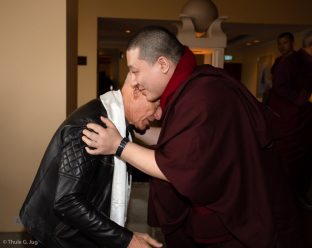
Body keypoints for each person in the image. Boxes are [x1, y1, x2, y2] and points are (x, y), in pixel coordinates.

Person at [82, 26, 303, 248]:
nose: (134, 82)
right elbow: (181, 143)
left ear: (162, 64)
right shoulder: (195, 86)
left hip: (235, 221)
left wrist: (118, 146)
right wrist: (134, 129)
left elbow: (177, 166)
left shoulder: (201, 95)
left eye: (135, 71)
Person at [19, 74, 163, 248]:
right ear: (136, 92)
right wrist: (126, 239)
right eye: (156, 103)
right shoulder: (89, 126)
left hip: (74, 234)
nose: (159, 114)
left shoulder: (121, 124)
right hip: (53, 236)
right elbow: (67, 201)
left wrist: (124, 236)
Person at [267, 30, 312, 206]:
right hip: (291, 123)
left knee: (304, 161)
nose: (281, 46)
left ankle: (298, 196)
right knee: (290, 162)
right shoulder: (291, 62)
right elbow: (279, 87)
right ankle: (289, 200)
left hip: (304, 122)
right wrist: (306, 97)